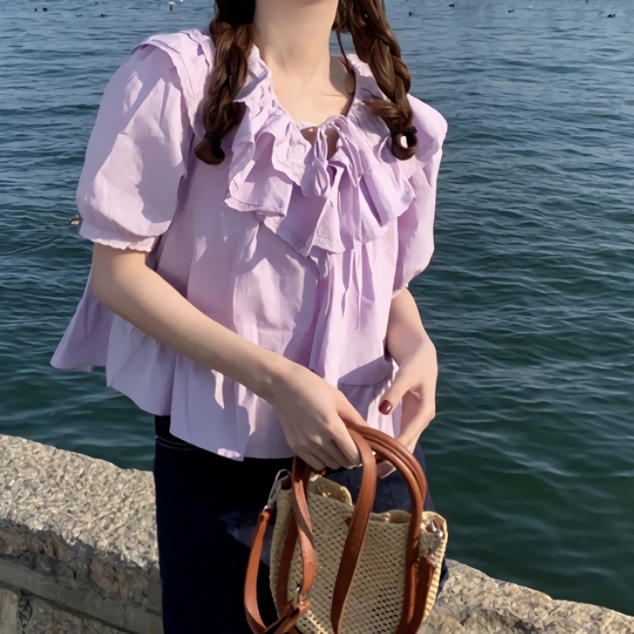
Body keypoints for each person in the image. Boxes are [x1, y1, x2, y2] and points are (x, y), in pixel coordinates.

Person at [51, 0, 449, 632]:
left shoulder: (389, 107)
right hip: (223, 461)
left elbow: (378, 278)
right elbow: (117, 274)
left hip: (369, 454)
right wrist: (278, 382)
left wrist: (418, 345)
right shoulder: (176, 78)